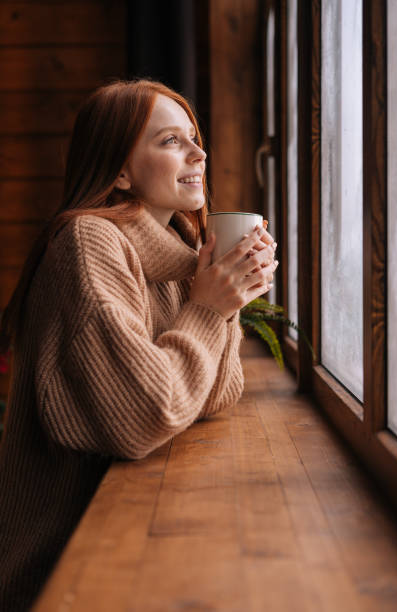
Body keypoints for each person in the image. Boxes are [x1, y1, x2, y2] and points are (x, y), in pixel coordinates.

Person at [0, 79, 278, 610]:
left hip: (115, 543)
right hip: (60, 565)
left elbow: (217, 393)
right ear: (121, 170)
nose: (199, 152)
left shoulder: (177, 256)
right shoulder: (89, 242)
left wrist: (227, 296)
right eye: (171, 141)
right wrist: (208, 308)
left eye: (194, 136)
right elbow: (143, 414)